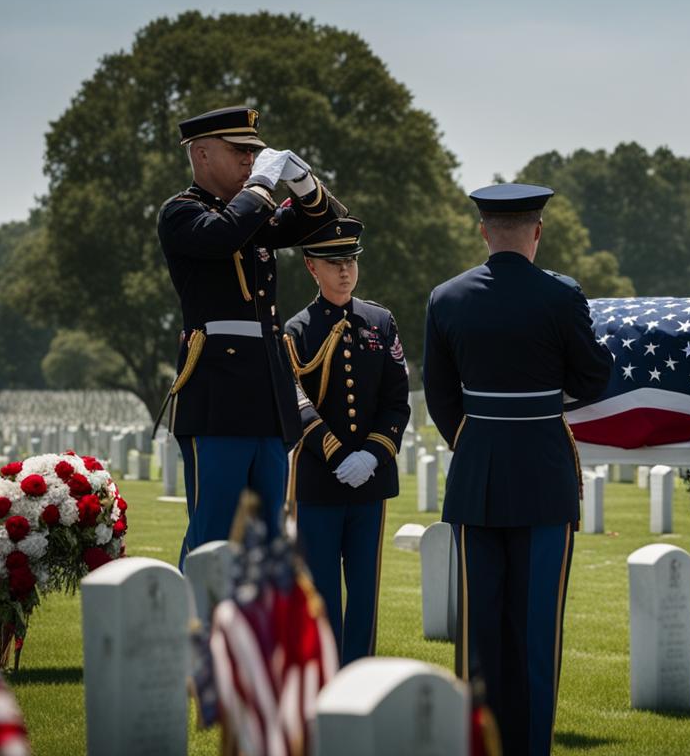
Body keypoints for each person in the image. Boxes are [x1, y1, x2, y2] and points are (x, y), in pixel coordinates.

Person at [423, 183, 613, 756]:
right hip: (544, 478)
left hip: (477, 473)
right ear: (537, 231)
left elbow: (438, 396)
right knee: (534, 634)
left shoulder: (446, 298)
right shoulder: (561, 297)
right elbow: (592, 379)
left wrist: (477, 442)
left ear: (483, 230)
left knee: (480, 631)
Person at [157, 106, 376, 568]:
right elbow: (222, 236)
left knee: (268, 539)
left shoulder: (250, 213)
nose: (249, 161)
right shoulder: (181, 213)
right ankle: (194, 633)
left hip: (267, 398)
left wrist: (302, 181)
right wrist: (262, 186)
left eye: (255, 153)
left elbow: (327, 223)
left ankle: (255, 639)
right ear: (201, 153)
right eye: (239, 151)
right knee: (215, 534)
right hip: (217, 398)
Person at [282, 217, 410, 665]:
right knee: (320, 591)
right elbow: (295, 403)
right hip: (320, 480)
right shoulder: (296, 330)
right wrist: (336, 453)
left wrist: (372, 456)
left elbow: (398, 402)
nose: (345, 271)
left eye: (351, 260)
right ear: (310, 266)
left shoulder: (381, 321)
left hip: (369, 483)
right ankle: (323, 679)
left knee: (365, 591)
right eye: (334, 262)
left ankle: (360, 678)